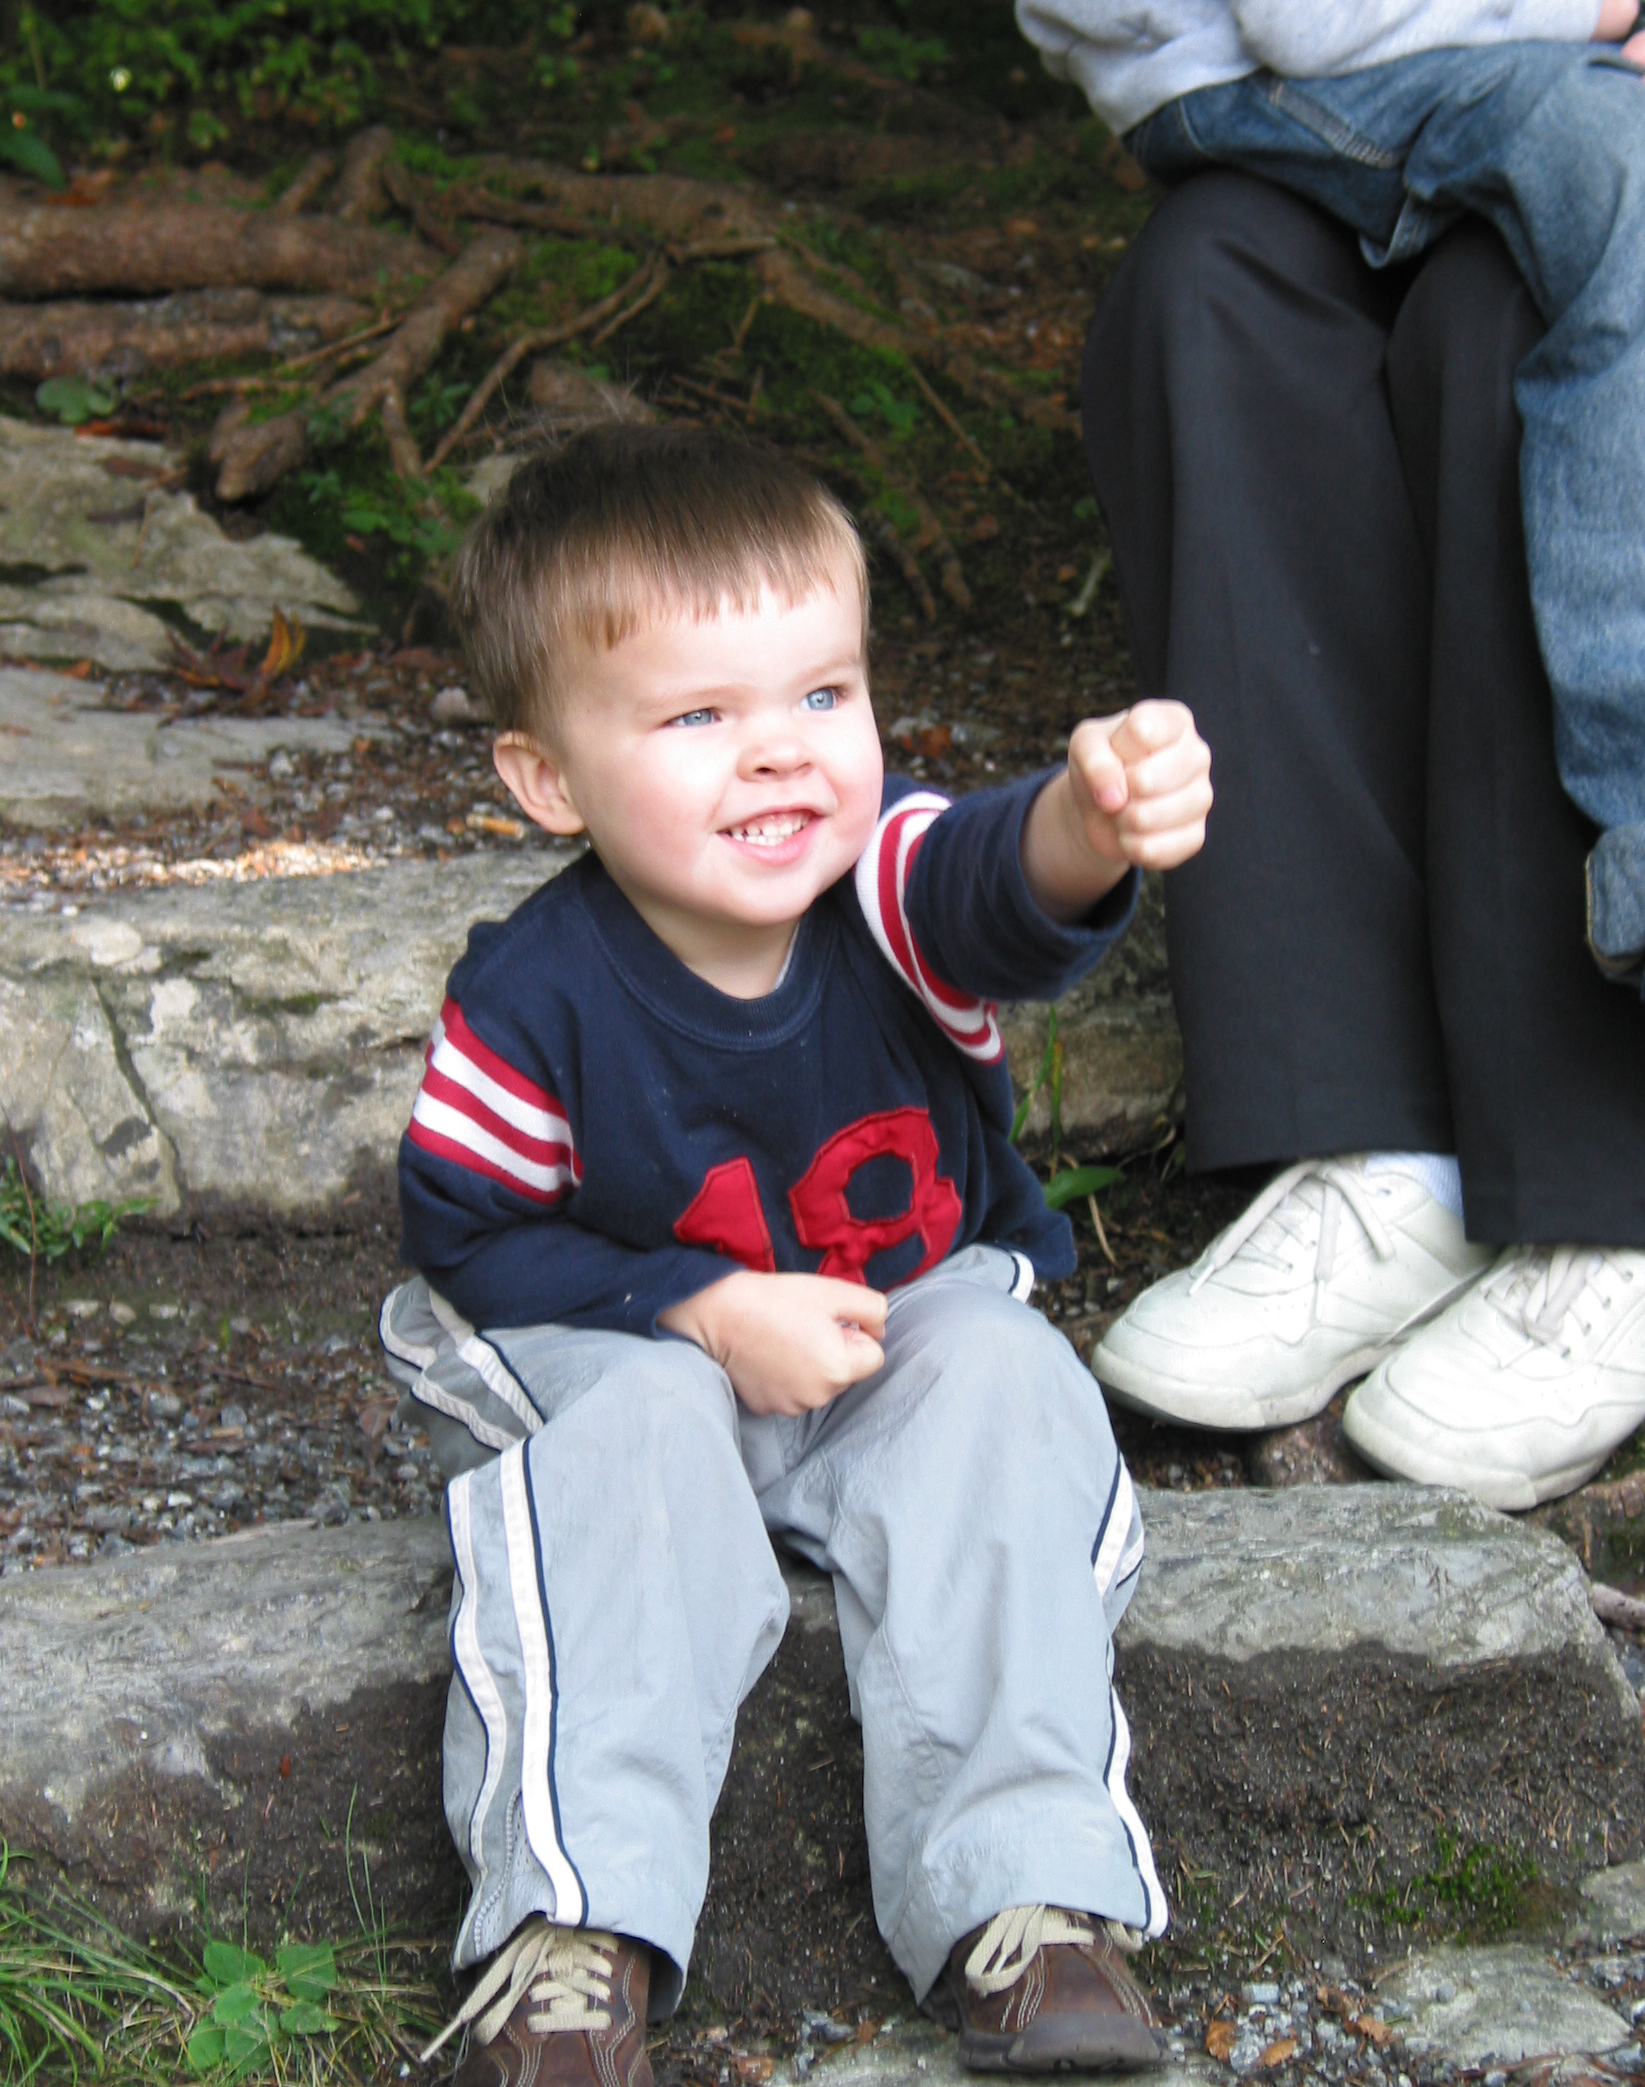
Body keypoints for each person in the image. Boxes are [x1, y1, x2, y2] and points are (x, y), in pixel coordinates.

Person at [381, 423, 1214, 2084]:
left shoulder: (881, 882)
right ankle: (574, 1931)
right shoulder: (532, 1000)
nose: (780, 757)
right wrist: (695, 1310)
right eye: (699, 718)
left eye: (821, 696)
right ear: (548, 778)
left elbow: (996, 877)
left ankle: (1027, 1894)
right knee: (624, 1441)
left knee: (1004, 1372)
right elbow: (467, 1233)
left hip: (881, 1333)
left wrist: (1088, 814)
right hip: (625, 1337)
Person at [952, 0, 1645, 1507]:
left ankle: (1601, 1189)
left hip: (1558, 28)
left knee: (1514, 304)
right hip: (1370, 31)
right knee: (1211, 286)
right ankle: (1376, 1137)